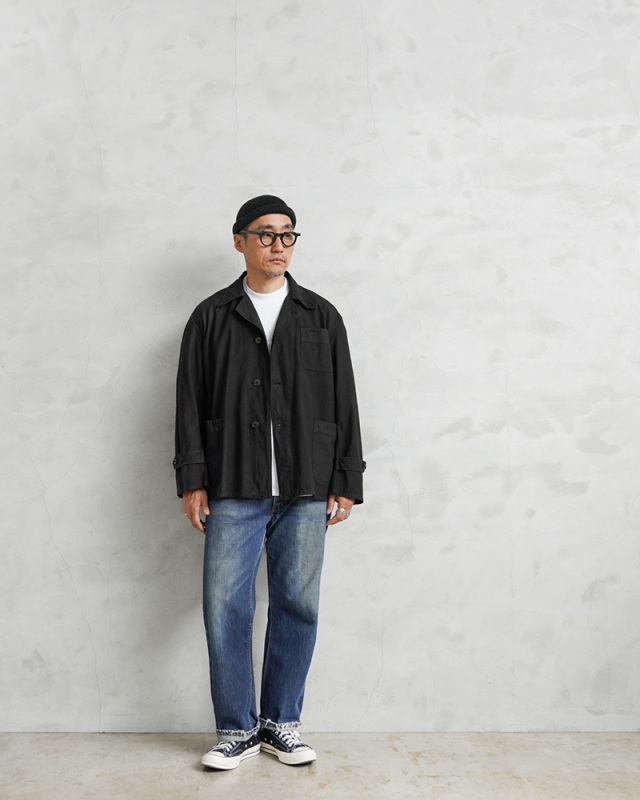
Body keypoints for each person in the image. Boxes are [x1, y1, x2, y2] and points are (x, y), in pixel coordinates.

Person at [173, 195, 365, 770]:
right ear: (240, 242)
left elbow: (345, 400)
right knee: (224, 605)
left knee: (297, 604)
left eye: (287, 235)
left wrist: (347, 477)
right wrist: (192, 479)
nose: (278, 245)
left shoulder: (321, 316)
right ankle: (236, 728)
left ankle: (281, 723)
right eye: (265, 234)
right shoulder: (211, 316)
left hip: (307, 485)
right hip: (233, 482)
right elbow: (189, 403)